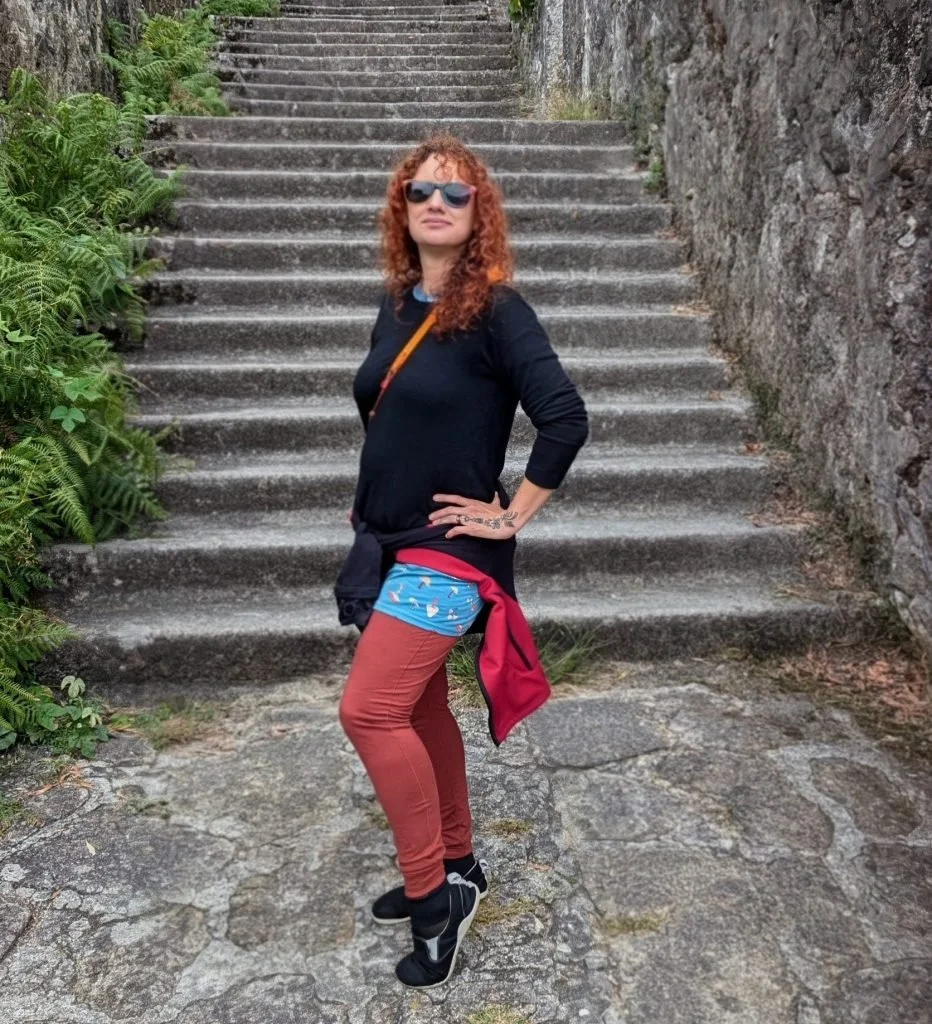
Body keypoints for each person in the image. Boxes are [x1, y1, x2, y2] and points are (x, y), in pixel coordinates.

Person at [336, 131, 589, 989]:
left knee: (370, 712)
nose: (436, 205)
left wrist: (510, 512)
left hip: (452, 553)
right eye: (420, 192)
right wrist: (378, 494)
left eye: (456, 194)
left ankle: (433, 899)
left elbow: (565, 417)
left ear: (478, 213)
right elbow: (392, 413)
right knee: (419, 708)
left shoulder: (499, 312)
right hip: (391, 537)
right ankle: (460, 863)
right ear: (400, 210)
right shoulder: (397, 305)